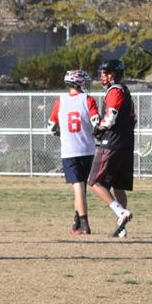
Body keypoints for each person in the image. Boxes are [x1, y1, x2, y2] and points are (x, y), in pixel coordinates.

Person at [88, 59, 137, 237]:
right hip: (126, 144)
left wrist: (99, 128)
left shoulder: (115, 90)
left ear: (113, 74)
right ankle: (121, 229)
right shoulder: (126, 91)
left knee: (95, 182)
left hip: (112, 144)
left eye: (106, 73)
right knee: (118, 186)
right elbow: (134, 120)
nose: (102, 76)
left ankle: (120, 212)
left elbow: (110, 119)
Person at [47, 69, 100, 235]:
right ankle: (77, 222)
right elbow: (97, 123)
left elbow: (51, 127)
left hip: (70, 150)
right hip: (88, 149)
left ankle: (84, 223)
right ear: (79, 83)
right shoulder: (88, 99)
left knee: (78, 186)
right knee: (82, 187)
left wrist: (63, 133)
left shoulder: (60, 101)